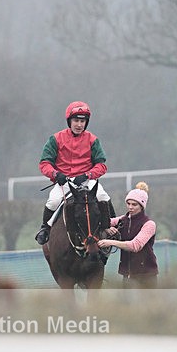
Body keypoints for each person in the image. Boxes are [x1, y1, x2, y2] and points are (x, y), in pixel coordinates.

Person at [35, 101, 112, 245]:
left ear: (86, 122)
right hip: (64, 181)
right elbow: (44, 163)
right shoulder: (55, 139)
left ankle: (111, 227)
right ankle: (45, 229)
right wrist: (56, 175)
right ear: (69, 121)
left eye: (82, 121)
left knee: (103, 196)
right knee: (53, 201)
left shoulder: (93, 140)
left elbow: (101, 165)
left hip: (87, 179)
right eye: (76, 120)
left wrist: (87, 175)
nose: (79, 124)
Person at [97, 181, 159, 287]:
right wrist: (107, 228)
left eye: (134, 204)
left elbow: (135, 246)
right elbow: (100, 223)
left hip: (146, 276)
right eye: (128, 203)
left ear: (142, 206)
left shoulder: (149, 224)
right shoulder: (122, 220)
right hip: (127, 276)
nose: (130, 207)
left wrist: (110, 242)